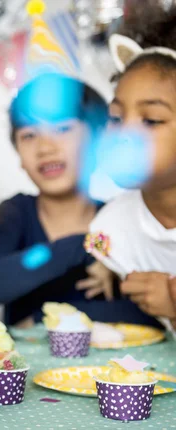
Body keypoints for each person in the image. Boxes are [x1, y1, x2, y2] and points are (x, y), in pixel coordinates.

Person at [0, 73, 158, 326]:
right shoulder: (15, 213)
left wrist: (42, 317)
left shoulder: (122, 219)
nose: (45, 148)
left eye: (62, 129)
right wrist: (84, 246)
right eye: (29, 135)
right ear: (18, 155)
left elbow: (150, 315)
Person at [90, 3, 176, 330]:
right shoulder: (111, 224)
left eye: (151, 120)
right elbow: (97, 242)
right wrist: (103, 266)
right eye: (115, 117)